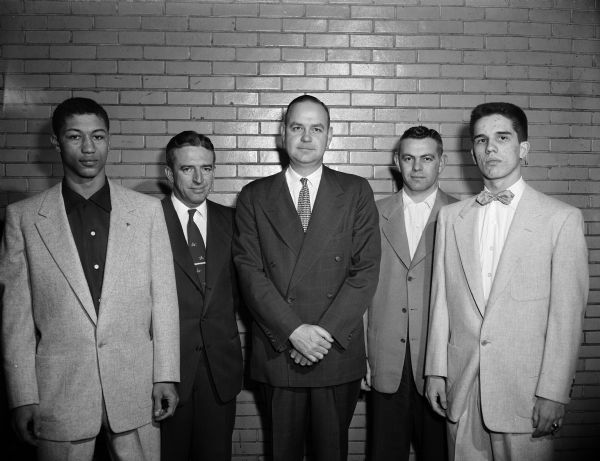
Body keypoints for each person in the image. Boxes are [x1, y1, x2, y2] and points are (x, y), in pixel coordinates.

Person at [0, 97, 179, 461]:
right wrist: (23, 395)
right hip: (59, 393)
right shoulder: (23, 218)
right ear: (56, 142)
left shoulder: (146, 212)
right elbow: (15, 319)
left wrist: (166, 374)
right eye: (74, 137)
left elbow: (165, 300)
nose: (88, 148)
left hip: (135, 388)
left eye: (97, 137)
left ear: (108, 139)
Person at [424, 102, 588, 461]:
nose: (490, 148)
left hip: (526, 395)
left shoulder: (561, 220)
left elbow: (567, 317)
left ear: (523, 148)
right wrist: (436, 371)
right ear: (472, 152)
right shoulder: (450, 219)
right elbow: (441, 304)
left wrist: (554, 392)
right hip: (463, 388)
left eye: (502, 137)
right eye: (481, 140)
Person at [233, 94, 380, 461]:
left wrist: (323, 333)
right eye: (297, 127)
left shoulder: (356, 190)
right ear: (283, 134)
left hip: (334, 351)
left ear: (330, 136)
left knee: (331, 453)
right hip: (280, 350)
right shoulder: (253, 195)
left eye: (317, 128)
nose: (306, 137)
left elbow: (366, 270)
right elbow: (249, 273)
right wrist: (294, 332)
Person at [366, 126, 454, 461]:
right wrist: (361, 353)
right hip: (385, 358)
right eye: (408, 158)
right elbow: (359, 287)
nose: (417, 167)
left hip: (440, 361)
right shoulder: (371, 213)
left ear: (441, 163)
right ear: (396, 162)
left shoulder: (463, 214)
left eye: (427, 158)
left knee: (438, 453)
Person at [160, 131, 243, 460]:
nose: (198, 179)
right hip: (168, 372)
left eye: (206, 169)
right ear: (169, 174)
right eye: (187, 169)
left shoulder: (234, 222)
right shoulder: (147, 221)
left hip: (219, 371)